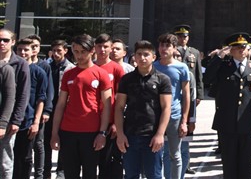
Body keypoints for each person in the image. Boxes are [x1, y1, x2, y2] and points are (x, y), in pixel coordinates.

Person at [204, 32, 251, 179]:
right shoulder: (223, 66)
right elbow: (207, 78)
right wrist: (219, 57)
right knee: (229, 162)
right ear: (230, 50)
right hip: (227, 122)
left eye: (244, 47)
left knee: (246, 162)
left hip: (248, 122)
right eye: (237, 47)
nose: (241, 50)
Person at [50, 34, 112, 179]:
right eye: (76, 51)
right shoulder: (68, 74)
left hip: (91, 133)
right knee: (70, 173)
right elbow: (60, 105)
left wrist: (102, 133)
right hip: (68, 131)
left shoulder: (101, 74)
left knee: (90, 173)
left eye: (83, 52)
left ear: (92, 51)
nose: (79, 56)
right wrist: (54, 133)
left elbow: (107, 106)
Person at [115, 40, 172, 179]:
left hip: (152, 136)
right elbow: (119, 107)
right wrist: (120, 134)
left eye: (146, 54)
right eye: (139, 54)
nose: (142, 58)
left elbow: (166, 108)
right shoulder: (126, 79)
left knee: (154, 175)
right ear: (134, 57)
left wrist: (160, 134)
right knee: (130, 175)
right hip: (130, 135)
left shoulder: (162, 79)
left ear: (154, 57)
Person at [153, 33, 190, 179]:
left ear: (174, 48)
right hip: (155, 115)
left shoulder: (182, 67)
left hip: (174, 116)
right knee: (154, 152)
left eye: (167, 45)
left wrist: (184, 121)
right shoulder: (152, 66)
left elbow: (186, 95)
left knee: (175, 154)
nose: (163, 48)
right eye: (161, 45)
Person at [14, 38, 48, 179]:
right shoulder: (11, 68)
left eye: (26, 50)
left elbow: (41, 99)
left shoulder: (39, 72)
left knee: (26, 157)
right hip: (10, 120)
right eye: (20, 49)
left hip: (28, 121)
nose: (22, 52)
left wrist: (36, 122)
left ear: (32, 51)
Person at [0, 28, 31, 179]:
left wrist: (16, 120)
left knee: (5, 161)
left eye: (5, 40)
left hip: (7, 120)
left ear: (13, 42)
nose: (2, 43)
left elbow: (22, 95)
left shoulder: (20, 63)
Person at [94, 34, 126, 179]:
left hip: (110, 123)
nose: (102, 49)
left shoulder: (117, 69)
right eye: (99, 46)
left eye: (105, 46)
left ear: (111, 48)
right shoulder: (89, 66)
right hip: (91, 121)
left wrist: (116, 123)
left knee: (108, 163)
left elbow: (121, 99)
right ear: (94, 48)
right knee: (91, 162)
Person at [173, 25, 203, 176]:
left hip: (190, 93)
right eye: (179, 36)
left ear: (188, 38)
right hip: (176, 93)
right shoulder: (172, 51)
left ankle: (187, 164)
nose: (182, 39)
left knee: (188, 129)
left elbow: (198, 74)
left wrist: (200, 94)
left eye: (184, 36)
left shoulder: (194, 52)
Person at [44, 39, 74, 179]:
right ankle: (46, 169)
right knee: (46, 139)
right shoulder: (47, 66)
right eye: (54, 51)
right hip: (49, 108)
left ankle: (61, 170)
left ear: (65, 51)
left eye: (59, 51)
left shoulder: (71, 68)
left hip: (64, 108)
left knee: (63, 140)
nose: (56, 54)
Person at [25, 34, 54, 179]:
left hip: (39, 109)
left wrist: (46, 110)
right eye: (31, 46)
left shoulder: (44, 66)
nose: (33, 49)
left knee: (38, 143)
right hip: (25, 110)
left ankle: (40, 174)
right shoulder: (21, 64)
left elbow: (48, 90)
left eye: (36, 46)